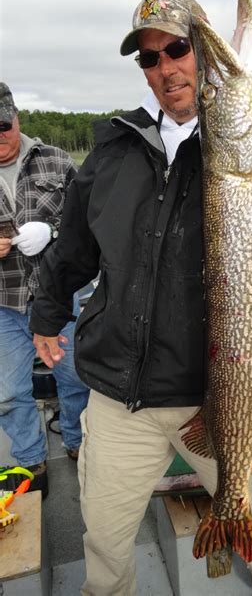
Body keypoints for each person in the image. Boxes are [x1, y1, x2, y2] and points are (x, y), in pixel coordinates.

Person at [30, 0, 252, 595]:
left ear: (197, 51)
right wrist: (45, 315)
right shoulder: (113, 151)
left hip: (214, 394)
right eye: (149, 57)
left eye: (178, 48)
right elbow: (72, 251)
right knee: (105, 549)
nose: (166, 67)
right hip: (120, 399)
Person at [0, 82, 90, 498]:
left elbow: (89, 225)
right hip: (3, 303)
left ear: (17, 117)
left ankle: (77, 442)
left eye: (4, 126)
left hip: (57, 298)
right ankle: (30, 459)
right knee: (8, 391)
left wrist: (52, 231)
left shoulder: (56, 160)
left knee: (75, 377)